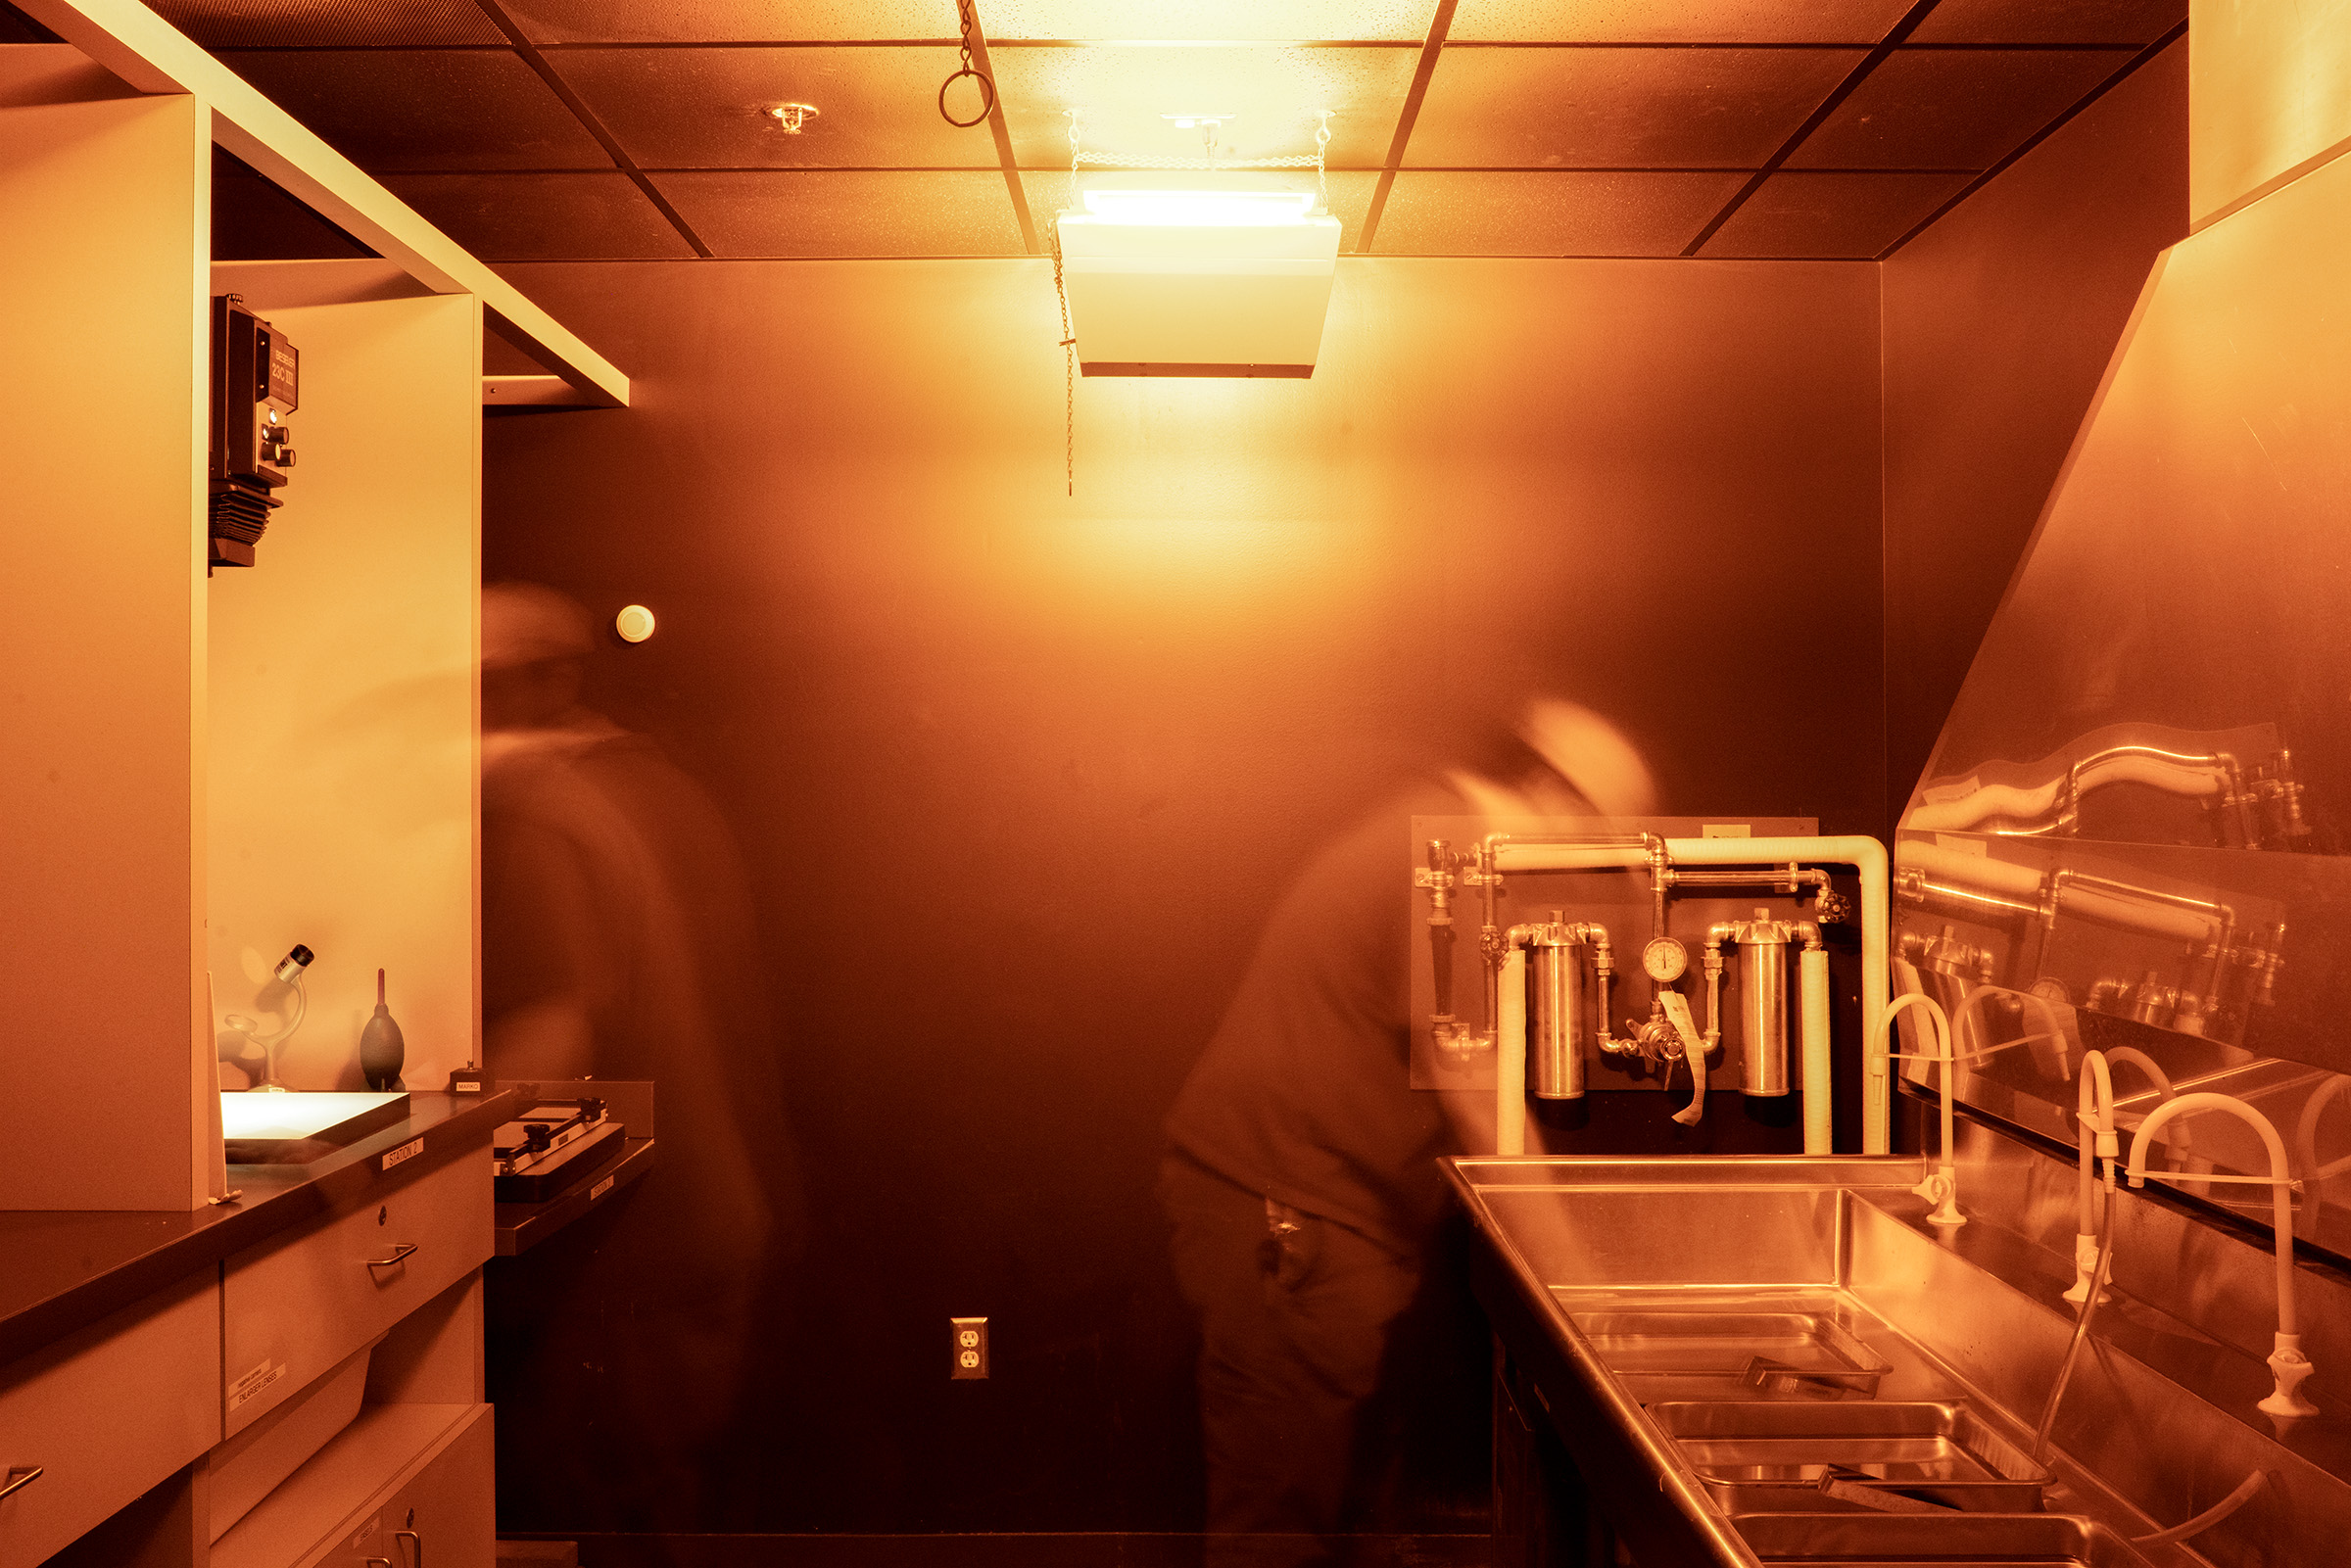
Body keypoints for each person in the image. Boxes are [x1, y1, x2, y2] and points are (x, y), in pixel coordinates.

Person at [1160, 699, 1656, 1566]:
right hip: (1291, 1219)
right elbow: (1470, 1078)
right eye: (1599, 838)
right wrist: (1584, 1301)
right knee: (1279, 1527)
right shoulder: (1447, 859)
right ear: (1549, 792)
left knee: (1329, 1510)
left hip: (1306, 1216)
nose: (1597, 870)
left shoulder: (1437, 839)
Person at [478, 582, 796, 1528]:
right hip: (712, 1222)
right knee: (652, 1516)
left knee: (603, 1524)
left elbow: (542, 1048)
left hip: (625, 1258)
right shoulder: (658, 786)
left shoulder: (541, 816)